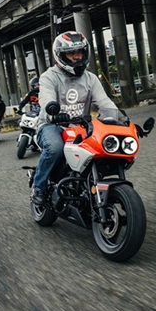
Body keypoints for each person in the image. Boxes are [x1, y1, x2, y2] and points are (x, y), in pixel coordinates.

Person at [31, 31, 121, 206]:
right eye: (71, 53)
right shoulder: (49, 77)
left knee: (104, 147)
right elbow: (46, 98)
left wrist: (120, 118)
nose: (77, 57)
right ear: (60, 55)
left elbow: (104, 102)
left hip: (80, 126)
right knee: (55, 148)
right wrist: (52, 110)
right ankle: (38, 187)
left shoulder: (90, 78)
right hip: (51, 125)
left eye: (80, 52)